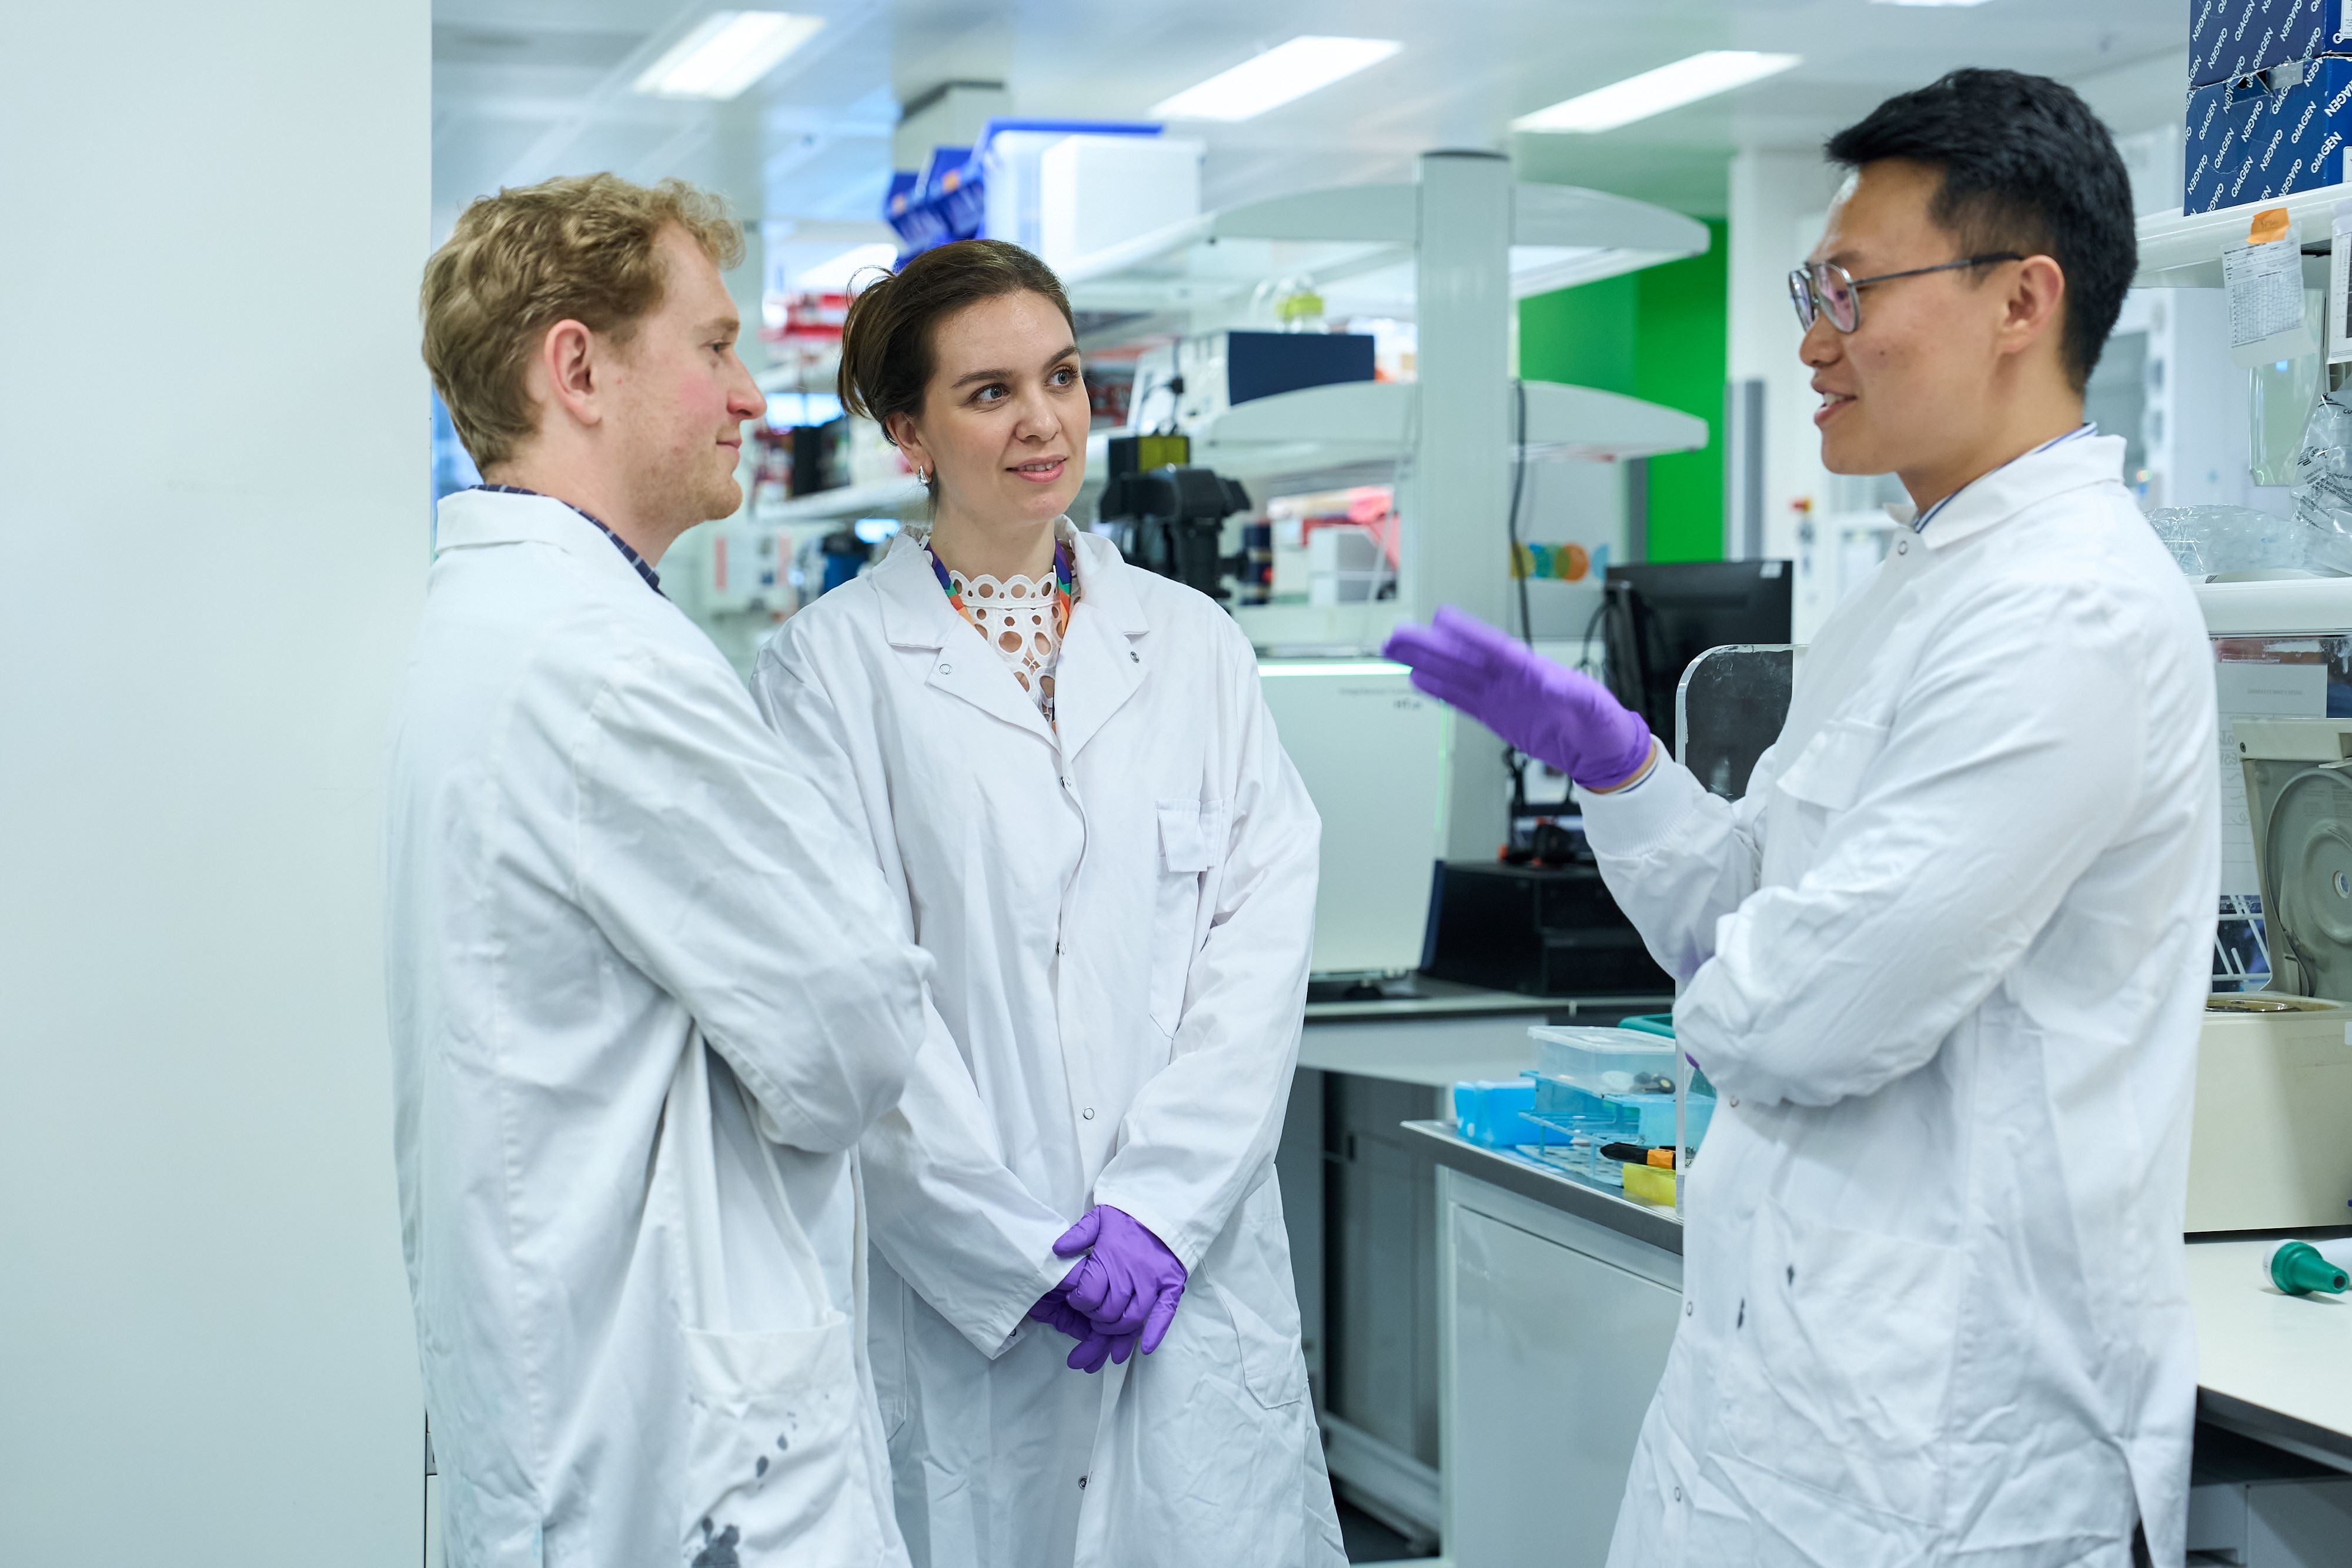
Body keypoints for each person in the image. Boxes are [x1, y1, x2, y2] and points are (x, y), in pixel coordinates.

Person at [1387, 70, 2215, 1568]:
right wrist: (1624, 767)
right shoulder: (1917, 585)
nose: (1810, 338)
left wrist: (1754, 970)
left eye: (1847, 288)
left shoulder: (2068, 615)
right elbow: (1754, 911)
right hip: (1787, 1393)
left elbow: (1805, 1019)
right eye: (1806, 287)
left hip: (1937, 1440)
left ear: (2020, 300)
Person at [751, 238, 1345, 1568]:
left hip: (1187, 1271)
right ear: (906, 431)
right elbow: (851, 1004)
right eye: (988, 391)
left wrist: (1158, 1208)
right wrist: (1015, 1249)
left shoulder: (1191, 645)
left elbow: (1256, 949)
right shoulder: (829, 672)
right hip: (965, 1296)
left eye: (1063, 376)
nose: (1042, 421)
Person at [387, 173, 932, 1567]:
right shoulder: (605, 665)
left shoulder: (500, 623)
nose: (748, 395)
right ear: (576, 366)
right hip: (687, 1458)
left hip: (587, 1407)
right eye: (712, 346)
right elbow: (854, 1035)